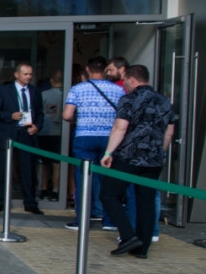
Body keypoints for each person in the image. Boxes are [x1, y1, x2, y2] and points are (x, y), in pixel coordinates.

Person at [100, 64, 178, 259]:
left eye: (126, 81)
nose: (124, 84)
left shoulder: (129, 99)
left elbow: (120, 127)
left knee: (109, 194)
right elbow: (169, 132)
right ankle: (142, 248)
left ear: (132, 80)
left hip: (129, 155)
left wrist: (108, 152)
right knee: (147, 200)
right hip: (154, 158)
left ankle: (128, 235)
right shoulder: (164, 101)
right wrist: (161, 153)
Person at [62, 57, 124, 231]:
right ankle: (109, 220)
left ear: (88, 70)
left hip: (84, 136)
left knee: (83, 178)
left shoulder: (77, 89)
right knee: (109, 179)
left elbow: (67, 115)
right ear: (105, 70)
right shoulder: (118, 90)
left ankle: (81, 220)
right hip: (109, 138)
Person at [0, 62, 43, 214]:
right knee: (4, 169)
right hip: (8, 133)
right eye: (26, 74)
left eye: (30, 74)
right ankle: (1, 203)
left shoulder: (35, 92)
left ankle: (30, 204)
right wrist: (9, 116)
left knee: (27, 170)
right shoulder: (4, 91)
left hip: (27, 133)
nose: (29, 77)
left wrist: (37, 126)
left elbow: (40, 113)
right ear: (17, 75)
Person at [37, 70, 64, 201]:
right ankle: (55, 190)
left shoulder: (44, 94)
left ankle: (42, 188)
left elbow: (38, 112)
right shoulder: (67, 94)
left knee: (43, 163)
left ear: (52, 81)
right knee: (57, 164)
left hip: (45, 131)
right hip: (60, 133)